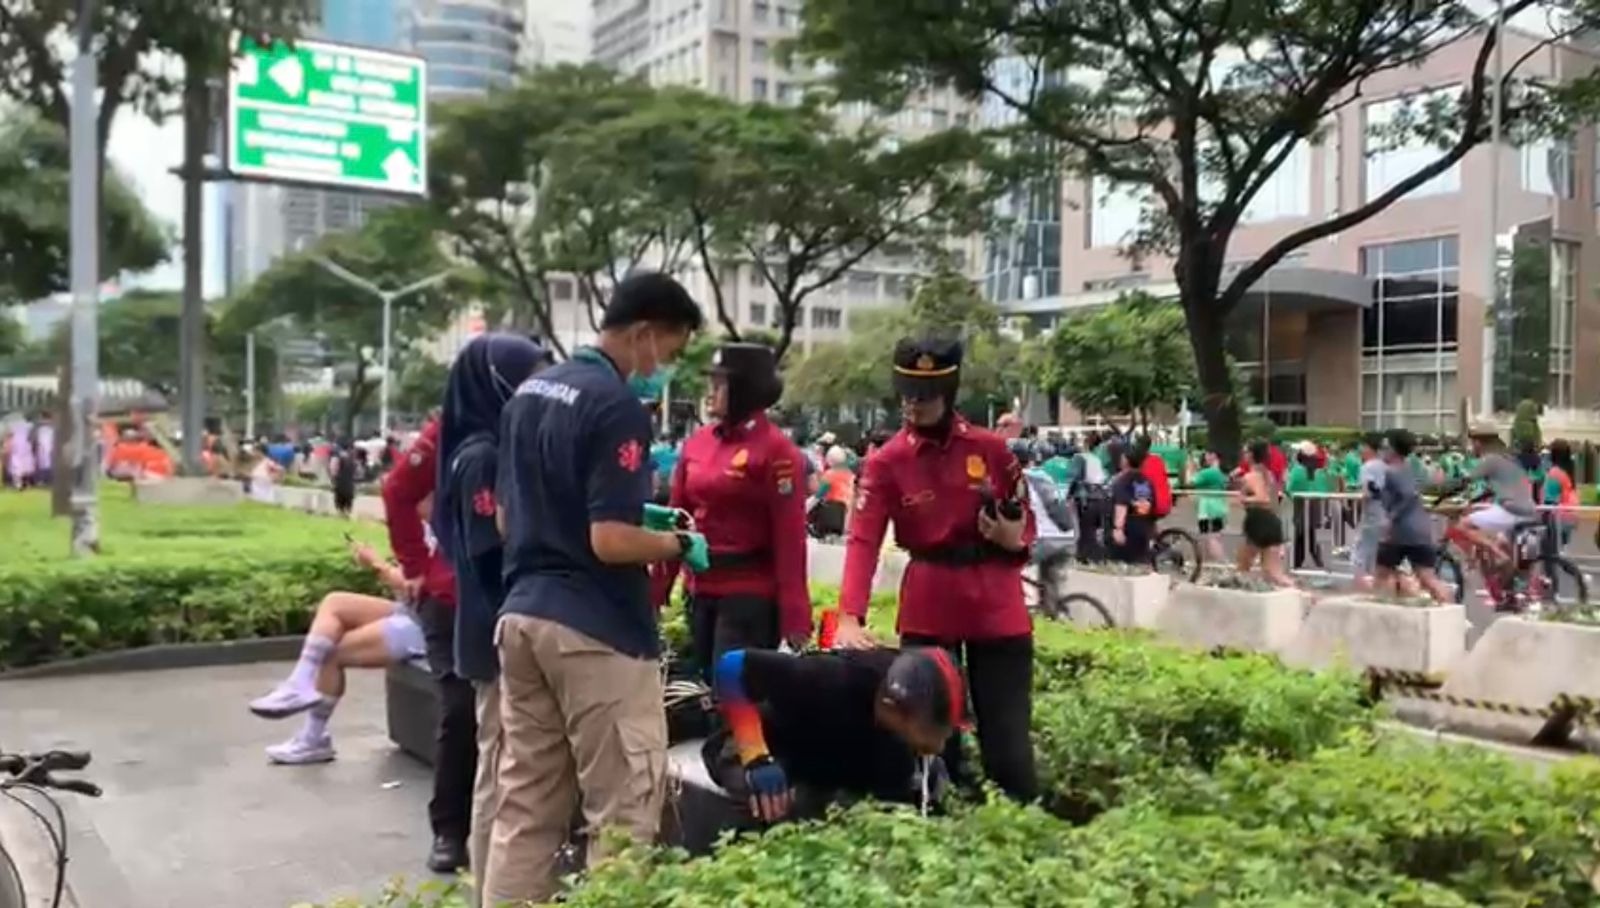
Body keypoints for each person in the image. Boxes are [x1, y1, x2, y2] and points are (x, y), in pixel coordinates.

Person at [484, 272, 708, 904]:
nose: (663, 368)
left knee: (526, 808)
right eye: (669, 351)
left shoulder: (529, 393)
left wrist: (635, 516)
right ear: (643, 334)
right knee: (623, 813)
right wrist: (677, 544)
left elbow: (505, 519)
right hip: (595, 631)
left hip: (522, 619)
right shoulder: (615, 406)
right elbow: (609, 540)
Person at [833, 337, 1037, 804]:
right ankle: (945, 820)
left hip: (996, 603)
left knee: (1007, 742)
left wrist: (1013, 536)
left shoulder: (991, 449)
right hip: (930, 604)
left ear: (948, 393)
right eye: (906, 394)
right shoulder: (887, 462)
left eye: (924, 395)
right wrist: (849, 616)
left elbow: (1026, 521)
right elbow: (863, 540)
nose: (913, 404)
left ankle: (1021, 822)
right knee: (933, 742)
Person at [428, 333, 551, 899]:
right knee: (500, 769)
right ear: (496, 385)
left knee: (501, 766)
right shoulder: (480, 457)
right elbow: (488, 556)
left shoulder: (488, 446)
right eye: (528, 379)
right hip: (492, 633)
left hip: (493, 628)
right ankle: (489, 889)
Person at [654, 342, 810, 678]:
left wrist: (795, 618)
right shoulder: (698, 443)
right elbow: (676, 517)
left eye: (720, 384)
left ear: (745, 389)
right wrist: (657, 590)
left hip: (749, 596)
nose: (710, 392)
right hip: (699, 590)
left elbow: (790, 539)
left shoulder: (776, 451)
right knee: (701, 688)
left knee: (733, 694)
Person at [706, 646, 966, 822]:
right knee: (784, 803)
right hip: (773, 747)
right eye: (928, 736)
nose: (938, 746)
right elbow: (732, 666)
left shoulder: (910, 717)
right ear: (891, 707)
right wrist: (756, 756)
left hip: (831, 757)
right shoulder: (828, 678)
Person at [382, 416, 475, 873]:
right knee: (461, 709)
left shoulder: (542, 412)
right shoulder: (454, 424)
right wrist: (414, 564)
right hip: (453, 597)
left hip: (522, 592)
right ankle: (450, 829)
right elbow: (398, 490)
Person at [247, 535, 429, 761]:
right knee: (334, 603)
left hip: (431, 627)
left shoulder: (447, 527)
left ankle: (313, 738)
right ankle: (299, 683)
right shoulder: (425, 526)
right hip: (416, 611)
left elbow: (418, 586)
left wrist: (377, 564)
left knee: (332, 653)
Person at [1373, 430, 1453, 603]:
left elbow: (1407, 495)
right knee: (1427, 577)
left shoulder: (1392, 472)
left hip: (1400, 531)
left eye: (1385, 447)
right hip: (1419, 529)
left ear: (1393, 449)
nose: (1382, 451)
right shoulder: (1411, 468)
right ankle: (1451, 608)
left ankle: (1383, 609)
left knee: (1382, 573)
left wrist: (1390, 518)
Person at [1456, 423, 1537, 570]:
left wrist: (1439, 492)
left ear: (1478, 443)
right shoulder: (1508, 458)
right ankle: (1508, 576)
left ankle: (1500, 556)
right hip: (1528, 509)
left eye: (1472, 443)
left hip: (1511, 510)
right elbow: (1494, 489)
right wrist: (1473, 501)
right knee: (1501, 543)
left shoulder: (1490, 459)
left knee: (1463, 525)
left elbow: (1464, 482)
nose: (1472, 447)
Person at [1236, 439, 1293, 587]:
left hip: (1257, 521)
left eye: (1246, 451)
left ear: (1251, 455)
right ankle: (1298, 593)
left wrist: (1243, 499)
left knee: (1243, 567)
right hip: (1270, 520)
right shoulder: (1268, 475)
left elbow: (1263, 498)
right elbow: (1273, 499)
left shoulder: (1251, 476)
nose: (1243, 454)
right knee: (1272, 571)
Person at [1107, 442, 1156, 565]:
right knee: (1141, 563)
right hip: (1144, 528)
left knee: (1122, 565)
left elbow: (1121, 505)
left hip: (1128, 529)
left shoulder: (1122, 481)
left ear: (1125, 460)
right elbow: (1150, 504)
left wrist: (1118, 529)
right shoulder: (1146, 480)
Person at [1351, 433, 1388, 591]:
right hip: (1387, 514)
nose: (1360, 449)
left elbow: (1368, 491)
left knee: (1359, 553)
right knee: (1378, 554)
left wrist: (1357, 500)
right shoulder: (1386, 466)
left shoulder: (1367, 467)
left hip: (1372, 515)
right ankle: (1377, 585)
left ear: (1369, 447)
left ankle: (1362, 587)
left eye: (1362, 446)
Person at [1190, 450, 1230, 564]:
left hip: (1207, 509)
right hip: (1219, 506)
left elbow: (1191, 481)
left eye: (1207, 454)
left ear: (1213, 455)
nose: (1205, 457)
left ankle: (1222, 563)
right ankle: (1213, 563)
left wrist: (1190, 468)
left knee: (1209, 537)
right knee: (1214, 536)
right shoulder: (1221, 473)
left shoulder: (1208, 472)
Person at [810, 445, 856, 539]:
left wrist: (805, 508)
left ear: (829, 460)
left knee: (816, 503)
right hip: (847, 513)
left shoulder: (829, 474)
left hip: (832, 511)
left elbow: (818, 495)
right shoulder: (850, 473)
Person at [1543, 439, 1579, 550]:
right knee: (1563, 547)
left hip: (1559, 516)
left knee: (1553, 549)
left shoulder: (1554, 473)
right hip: (1571, 512)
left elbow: (1550, 500)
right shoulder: (1569, 469)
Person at [331, 439, 358, 517]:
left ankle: (341, 512)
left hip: (340, 481)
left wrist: (333, 479)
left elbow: (334, 470)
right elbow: (356, 473)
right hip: (349, 483)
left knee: (340, 499)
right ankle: (346, 513)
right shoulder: (353, 459)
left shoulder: (338, 457)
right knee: (348, 499)